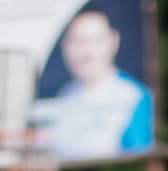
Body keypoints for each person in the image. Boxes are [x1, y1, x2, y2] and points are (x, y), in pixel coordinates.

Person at [40, 9, 153, 162]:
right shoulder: (63, 95)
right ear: (64, 46)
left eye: (97, 40)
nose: (87, 52)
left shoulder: (135, 96)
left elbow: (141, 163)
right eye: (78, 41)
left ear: (114, 40)